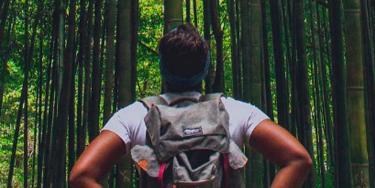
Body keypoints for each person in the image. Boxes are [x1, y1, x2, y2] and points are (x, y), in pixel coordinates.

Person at [69, 23, 312, 188]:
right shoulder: (235, 112)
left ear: (163, 68)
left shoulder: (135, 115)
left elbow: (81, 176)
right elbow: (298, 159)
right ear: (205, 69)